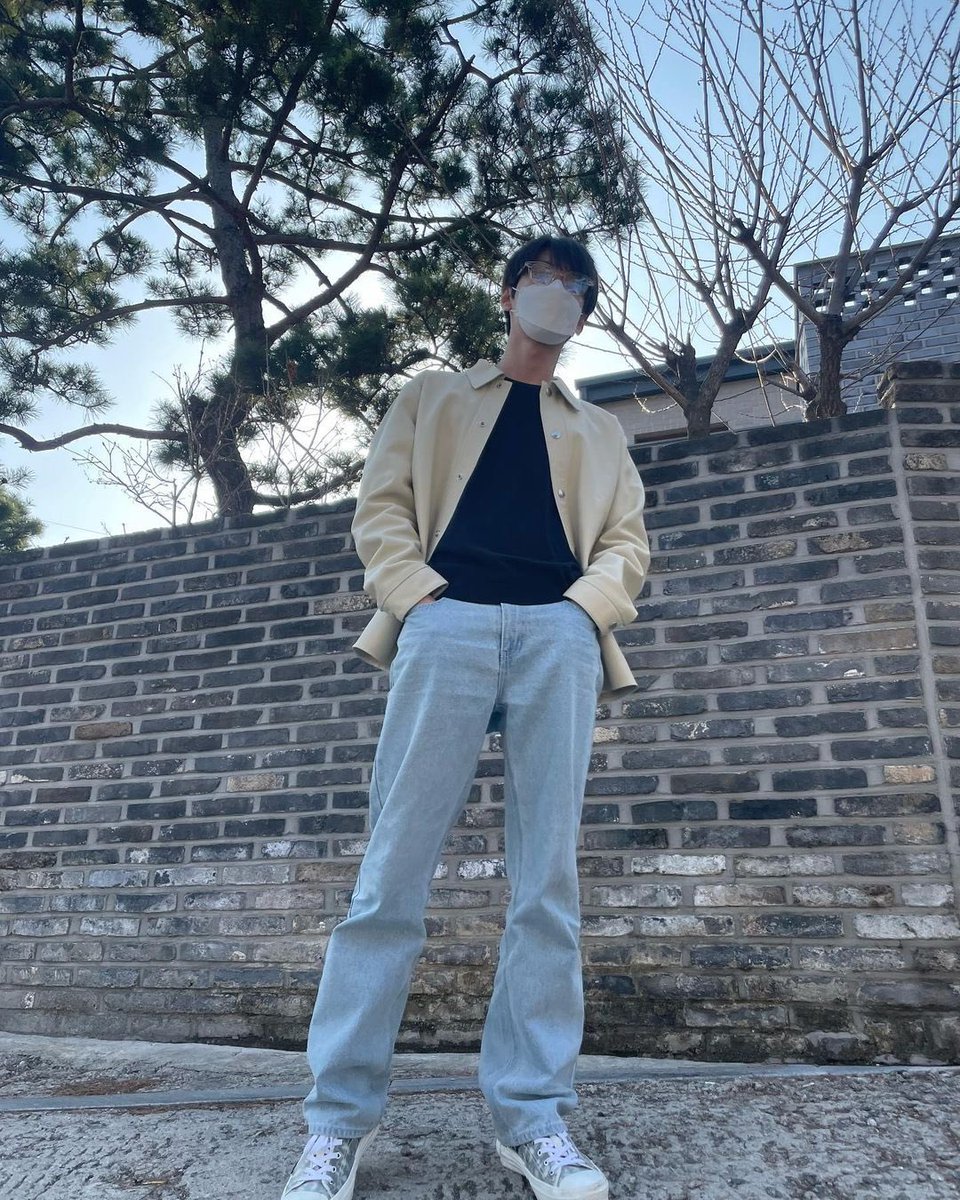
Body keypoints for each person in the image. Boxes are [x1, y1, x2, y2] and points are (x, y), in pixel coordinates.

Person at [281, 235, 650, 1200]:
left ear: (586, 311)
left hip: (559, 637)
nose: (557, 295)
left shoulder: (601, 431)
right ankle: (337, 1126)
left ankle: (533, 1121)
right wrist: (420, 599)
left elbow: (627, 543)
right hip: (445, 628)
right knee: (390, 875)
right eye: (542, 278)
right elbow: (381, 509)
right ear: (508, 293)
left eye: (575, 286)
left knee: (547, 884)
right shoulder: (432, 398)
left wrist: (583, 613)